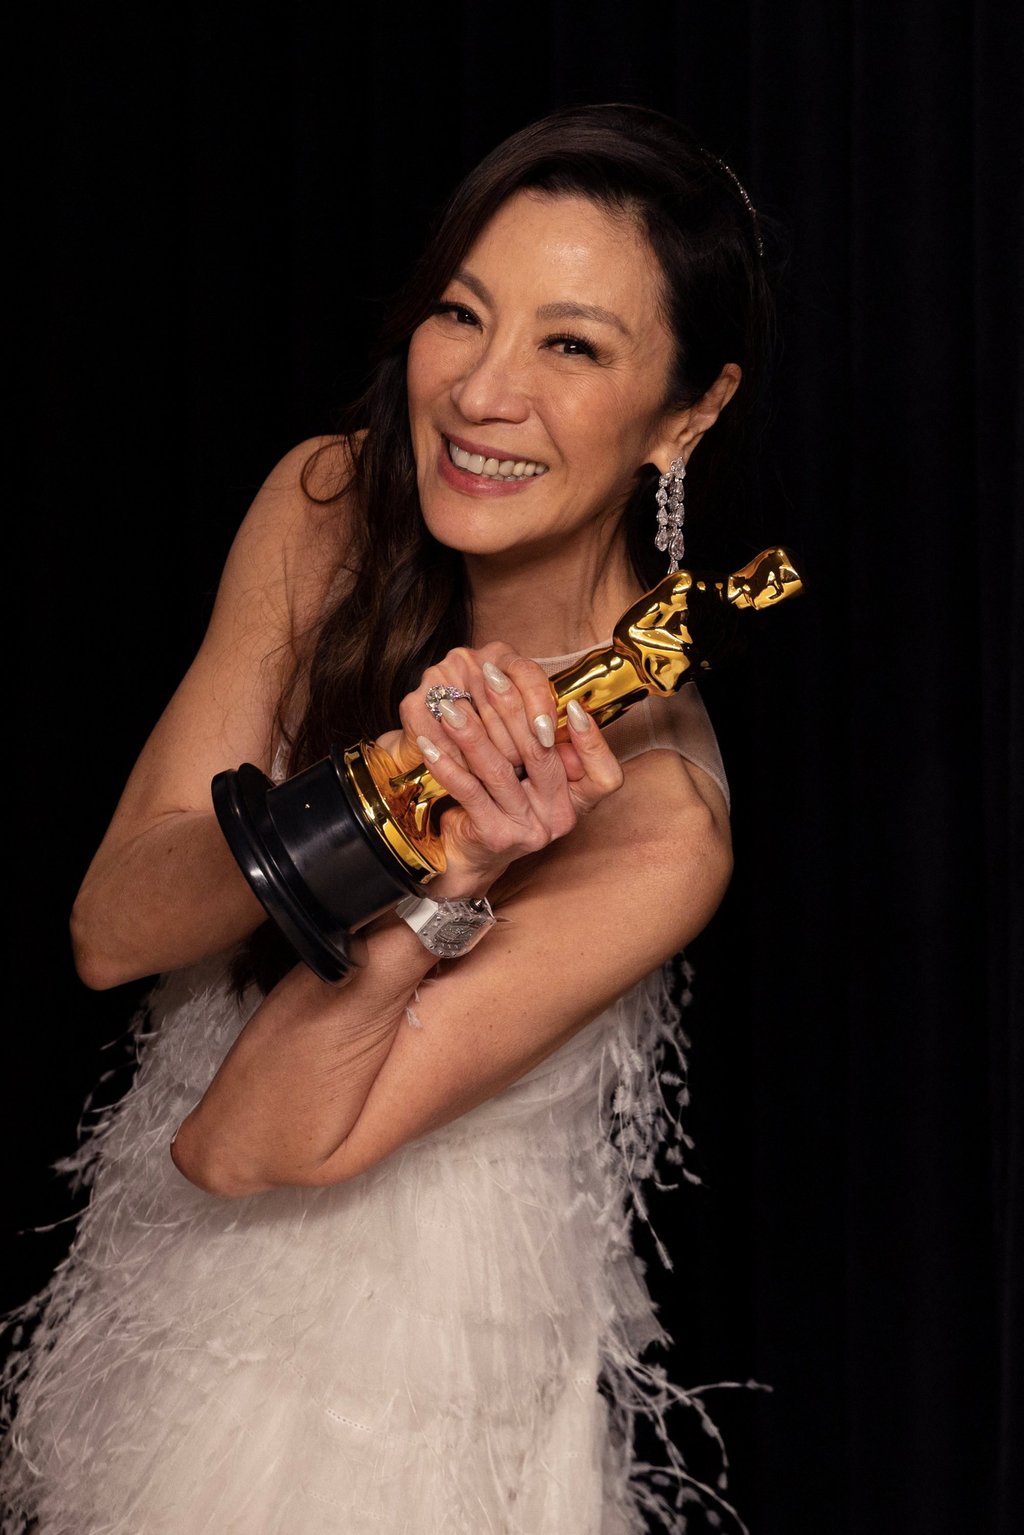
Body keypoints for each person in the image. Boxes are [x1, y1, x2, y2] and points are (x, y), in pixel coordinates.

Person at [0, 102, 773, 1533]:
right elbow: (112, 930)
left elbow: (244, 1149)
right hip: (170, 1293)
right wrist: (377, 798)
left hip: (408, 1381)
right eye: (461, 315)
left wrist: (447, 863)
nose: (481, 393)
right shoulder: (329, 506)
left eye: (573, 345)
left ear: (689, 412)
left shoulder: (660, 825)